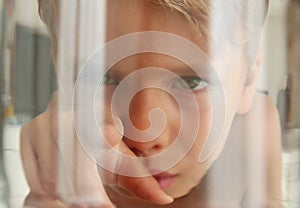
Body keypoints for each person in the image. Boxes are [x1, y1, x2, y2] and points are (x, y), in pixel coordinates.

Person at [20, 0, 284, 207]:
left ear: (248, 80)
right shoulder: (59, 143)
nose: (145, 137)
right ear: (61, 73)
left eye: (191, 83)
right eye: (103, 77)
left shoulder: (253, 131)